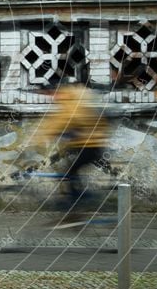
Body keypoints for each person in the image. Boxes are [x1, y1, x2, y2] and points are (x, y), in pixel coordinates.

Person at [35, 83, 111, 224]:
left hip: (90, 146)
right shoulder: (75, 98)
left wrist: (46, 135)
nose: (52, 98)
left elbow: (64, 120)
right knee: (70, 173)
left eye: (51, 94)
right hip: (87, 145)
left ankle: (81, 201)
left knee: (69, 173)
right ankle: (76, 207)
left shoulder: (71, 100)